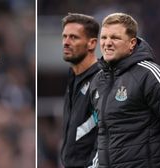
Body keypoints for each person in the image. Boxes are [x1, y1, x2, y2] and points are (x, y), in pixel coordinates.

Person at [89, 13, 160, 168]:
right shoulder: (98, 81)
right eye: (103, 38)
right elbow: (102, 134)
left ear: (132, 43)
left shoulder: (150, 74)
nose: (107, 43)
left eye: (115, 38)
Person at [60, 13, 100, 168]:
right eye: (64, 37)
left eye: (74, 37)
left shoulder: (101, 80)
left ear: (91, 43)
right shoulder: (73, 78)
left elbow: (107, 134)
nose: (66, 42)